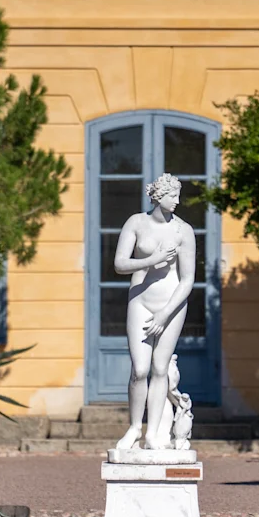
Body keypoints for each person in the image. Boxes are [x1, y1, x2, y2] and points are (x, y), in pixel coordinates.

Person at [112, 172, 196, 450]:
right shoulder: (136, 223)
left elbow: (187, 280)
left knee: (160, 368)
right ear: (158, 197)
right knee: (140, 369)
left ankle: (153, 432)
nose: (178, 201)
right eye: (173, 196)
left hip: (171, 306)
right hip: (140, 301)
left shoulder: (183, 231)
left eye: (178, 196)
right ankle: (135, 427)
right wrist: (152, 259)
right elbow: (120, 264)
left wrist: (165, 314)